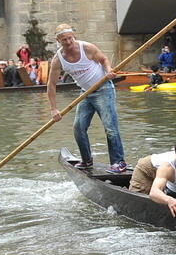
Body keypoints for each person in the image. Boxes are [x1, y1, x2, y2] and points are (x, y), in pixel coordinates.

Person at [47, 23, 127, 173]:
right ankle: (86, 160)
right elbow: (51, 84)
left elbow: (103, 59)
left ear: (74, 36)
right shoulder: (58, 59)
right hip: (85, 93)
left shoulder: (87, 48)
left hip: (104, 90)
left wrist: (109, 70)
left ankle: (118, 162)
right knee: (78, 128)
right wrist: (53, 108)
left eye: (70, 38)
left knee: (110, 128)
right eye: (64, 40)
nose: (69, 42)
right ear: (58, 41)